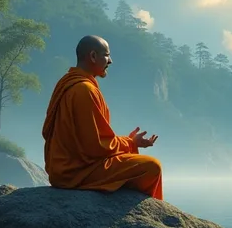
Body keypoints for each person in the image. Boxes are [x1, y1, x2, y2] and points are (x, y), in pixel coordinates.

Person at [41, 35, 163, 200]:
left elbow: (91, 141)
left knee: (140, 163)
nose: (110, 61)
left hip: (64, 169)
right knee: (152, 167)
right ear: (93, 56)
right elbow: (96, 146)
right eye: (107, 55)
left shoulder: (67, 83)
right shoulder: (84, 90)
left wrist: (128, 142)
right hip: (77, 172)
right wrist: (130, 143)